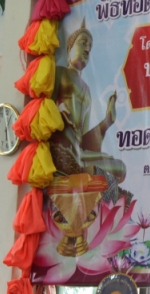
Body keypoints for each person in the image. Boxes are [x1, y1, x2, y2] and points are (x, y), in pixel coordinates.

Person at [51, 20, 126, 199]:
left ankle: (83, 174)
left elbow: (84, 139)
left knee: (120, 168)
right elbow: (42, 106)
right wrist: (58, 108)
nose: (87, 50)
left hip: (79, 154)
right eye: (83, 43)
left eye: (90, 47)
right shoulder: (60, 73)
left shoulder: (87, 91)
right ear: (70, 48)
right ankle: (81, 176)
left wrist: (106, 122)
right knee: (99, 170)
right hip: (60, 150)